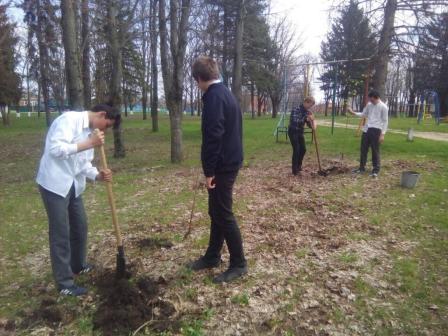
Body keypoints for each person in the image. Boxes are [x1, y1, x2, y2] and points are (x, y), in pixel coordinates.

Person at [36, 104, 120, 296]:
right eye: (105, 125)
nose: (103, 130)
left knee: (80, 226)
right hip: (55, 183)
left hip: (73, 185)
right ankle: (65, 283)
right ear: (101, 114)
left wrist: (97, 175)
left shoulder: (91, 132)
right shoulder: (68, 121)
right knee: (61, 232)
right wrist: (89, 143)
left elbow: (83, 164)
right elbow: (55, 149)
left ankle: (77, 264)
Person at [188, 56, 247, 283]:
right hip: (229, 161)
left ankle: (239, 263)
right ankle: (212, 256)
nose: (197, 85)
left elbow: (214, 136)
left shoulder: (214, 97)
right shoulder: (225, 94)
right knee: (216, 212)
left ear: (200, 78)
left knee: (223, 213)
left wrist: (209, 171)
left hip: (223, 165)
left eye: (197, 81)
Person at [348, 90, 388, 178]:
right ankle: (361, 168)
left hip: (376, 130)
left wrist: (382, 134)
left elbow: (385, 121)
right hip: (366, 129)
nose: (371, 101)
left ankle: (375, 170)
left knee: (375, 150)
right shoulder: (369, 105)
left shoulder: (383, 107)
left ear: (376, 97)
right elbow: (363, 114)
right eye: (370, 100)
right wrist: (353, 113)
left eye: (372, 100)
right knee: (363, 149)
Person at [288, 97, 316, 175]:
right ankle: (294, 170)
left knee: (303, 149)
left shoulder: (307, 112)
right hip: (293, 131)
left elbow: (309, 124)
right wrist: (306, 118)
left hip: (300, 132)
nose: (310, 107)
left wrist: (312, 122)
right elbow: (295, 121)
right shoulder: (296, 109)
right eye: (310, 105)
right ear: (306, 102)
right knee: (296, 149)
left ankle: (299, 165)